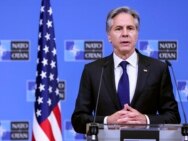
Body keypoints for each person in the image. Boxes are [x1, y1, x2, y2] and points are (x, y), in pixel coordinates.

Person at [71, 6, 180, 134]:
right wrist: (107, 121)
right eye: (118, 29)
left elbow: (173, 117)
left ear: (137, 34)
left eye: (130, 28)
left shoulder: (158, 69)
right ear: (109, 36)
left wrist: (146, 120)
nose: (125, 34)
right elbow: (78, 120)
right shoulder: (93, 70)